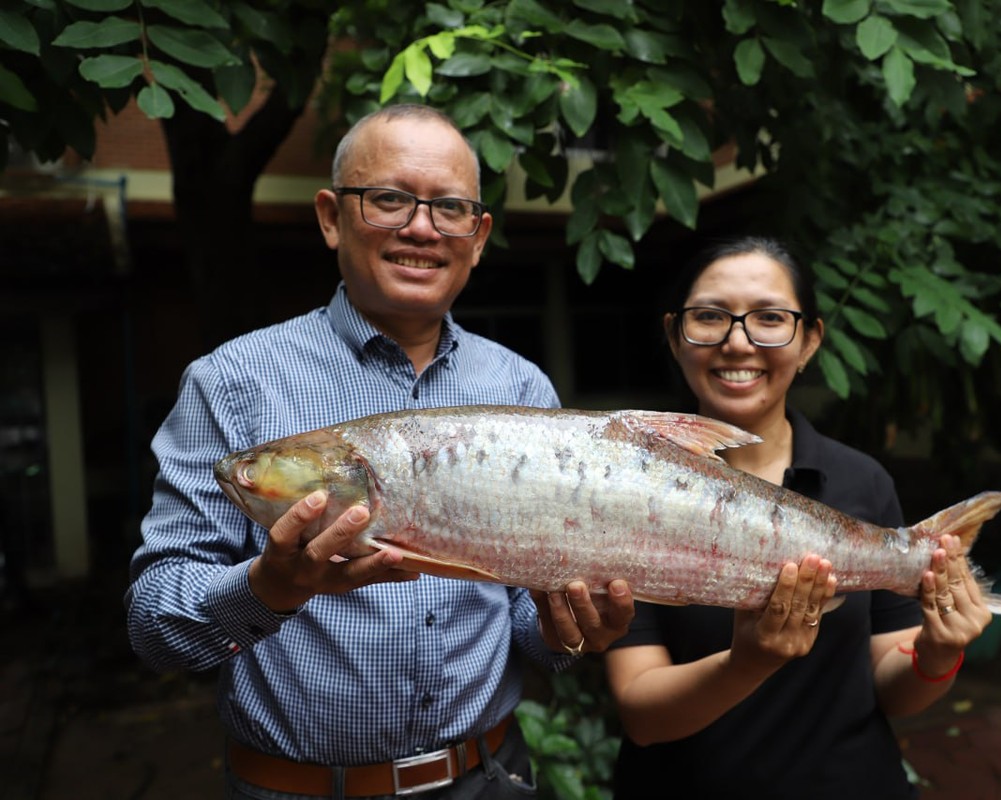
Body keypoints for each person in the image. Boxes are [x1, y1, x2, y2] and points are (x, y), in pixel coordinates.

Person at [125, 103, 634, 800]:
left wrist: (573, 632)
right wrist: (268, 588)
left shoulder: (520, 387)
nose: (421, 228)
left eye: (449, 207)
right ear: (332, 217)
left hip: (490, 779)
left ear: (478, 235)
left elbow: (527, 619)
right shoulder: (232, 383)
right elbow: (154, 624)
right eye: (390, 200)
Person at [603, 236, 995, 798]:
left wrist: (938, 653)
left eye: (769, 318)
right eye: (710, 317)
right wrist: (748, 662)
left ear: (809, 340)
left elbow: (893, 687)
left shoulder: (863, 481)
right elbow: (643, 714)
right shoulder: (622, 488)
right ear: (674, 335)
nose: (738, 343)